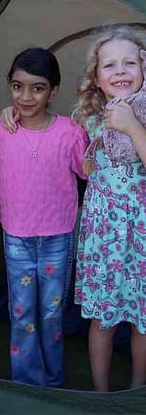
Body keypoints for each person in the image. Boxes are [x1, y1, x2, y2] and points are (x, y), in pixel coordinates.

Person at [0, 48, 88, 387]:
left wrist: (94, 126)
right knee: (22, 312)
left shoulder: (70, 132)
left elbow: (89, 172)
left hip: (58, 237)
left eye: (37, 88)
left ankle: (53, 382)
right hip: (16, 237)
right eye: (18, 87)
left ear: (53, 92)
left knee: (51, 313)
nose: (26, 97)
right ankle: (27, 383)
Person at [71, 27, 146, 391]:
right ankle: (100, 394)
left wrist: (132, 127)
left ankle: (136, 392)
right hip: (105, 240)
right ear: (97, 78)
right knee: (102, 319)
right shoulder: (88, 119)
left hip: (142, 237)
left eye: (129, 63)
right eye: (110, 65)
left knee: (143, 320)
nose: (120, 71)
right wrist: (10, 114)